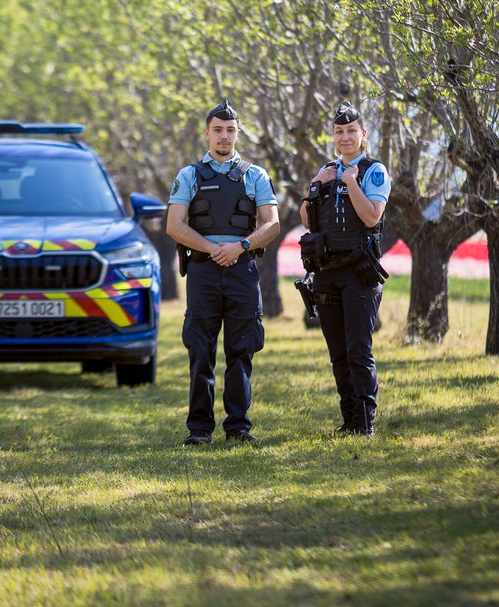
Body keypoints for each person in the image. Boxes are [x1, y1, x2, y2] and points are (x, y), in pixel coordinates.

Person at [166, 99, 281, 445]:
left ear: (238, 134)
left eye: (230, 130)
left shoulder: (255, 175)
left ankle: (238, 427)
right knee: (200, 351)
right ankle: (199, 429)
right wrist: (211, 248)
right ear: (207, 133)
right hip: (203, 271)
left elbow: (272, 224)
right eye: (218, 130)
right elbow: (174, 225)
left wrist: (240, 247)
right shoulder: (188, 175)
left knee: (241, 349)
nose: (224, 136)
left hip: (242, 270)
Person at [298, 101, 391, 436]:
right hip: (326, 272)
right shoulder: (325, 170)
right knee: (338, 352)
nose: (345, 137)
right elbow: (306, 219)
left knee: (357, 350)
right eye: (339, 132)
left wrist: (351, 182)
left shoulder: (374, 171)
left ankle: (365, 422)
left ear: (363, 134)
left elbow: (371, 217)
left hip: (358, 273)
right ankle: (349, 420)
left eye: (351, 131)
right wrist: (315, 184)